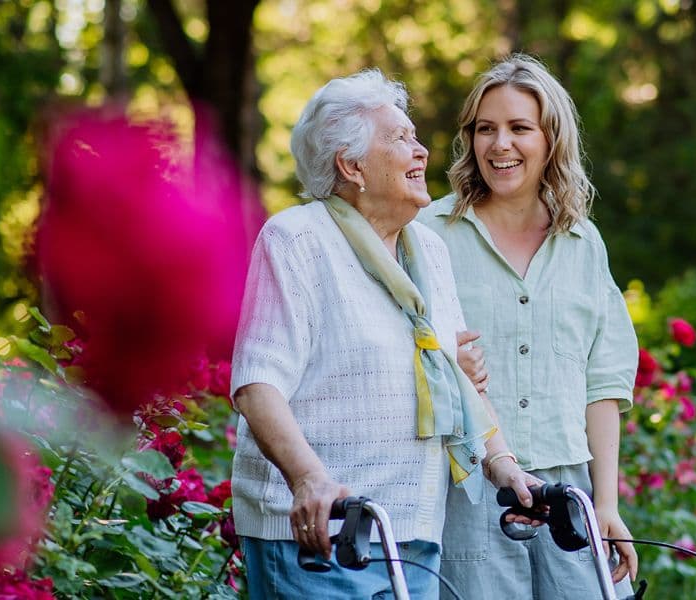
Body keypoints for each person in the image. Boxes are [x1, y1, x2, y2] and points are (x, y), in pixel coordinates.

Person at [229, 69, 539, 600]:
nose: (422, 152)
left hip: (412, 532)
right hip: (322, 535)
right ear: (352, 165)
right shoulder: (298, 240)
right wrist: (308, 478)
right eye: (401, 139)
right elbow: (257, 383)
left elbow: (452, 378)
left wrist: (503, 463)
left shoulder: (428, 251)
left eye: (415, 137)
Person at [418, 54, 640, 599]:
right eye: (486, 129)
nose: (500, 145)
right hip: (469, 491)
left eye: (520, 128)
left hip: (570, 494)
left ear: (551, 140)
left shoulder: (583, 243)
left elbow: (603, 384)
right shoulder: (427, 234)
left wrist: (605, 506)